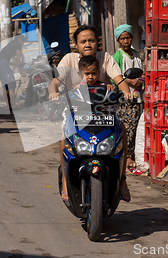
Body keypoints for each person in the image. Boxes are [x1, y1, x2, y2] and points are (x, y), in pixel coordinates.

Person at [48, 25, 132, 203]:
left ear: (97, 43)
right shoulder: (69, 59)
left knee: (121, 130)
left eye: (91, 40)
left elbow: (119, 80)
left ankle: (122, 179)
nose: (88, 44)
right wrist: (53, 93)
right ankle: (65, 180)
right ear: (76, 45)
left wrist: (126, 92)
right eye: (83, 41)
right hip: (75, 112)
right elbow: (56, 81)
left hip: (105, 112)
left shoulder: (105, 58)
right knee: (65, 134)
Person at [112, 24, 144, 169]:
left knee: (135, 127)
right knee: (127, 129)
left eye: (128, 37)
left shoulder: (136, 54)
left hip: (137, 97)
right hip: (124, 99)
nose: (126, 41)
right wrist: (129, 81)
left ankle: (130, 155)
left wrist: (140, 82)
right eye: (123, 38)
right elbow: (114, 77)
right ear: (118, 40)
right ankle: (125, 157)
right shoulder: (117, 56)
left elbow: (142, 72)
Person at [0, 34, 26, 114]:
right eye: (23, 42)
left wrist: (16, 65)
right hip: (3, 64)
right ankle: (13, 106)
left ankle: (9, 105)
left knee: (6, 86)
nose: (23, 44)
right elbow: (18, 60)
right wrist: (21, 71)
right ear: (20, 40)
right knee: (11, 85)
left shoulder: (10, 44)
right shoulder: (18, 45)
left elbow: (5, 60)